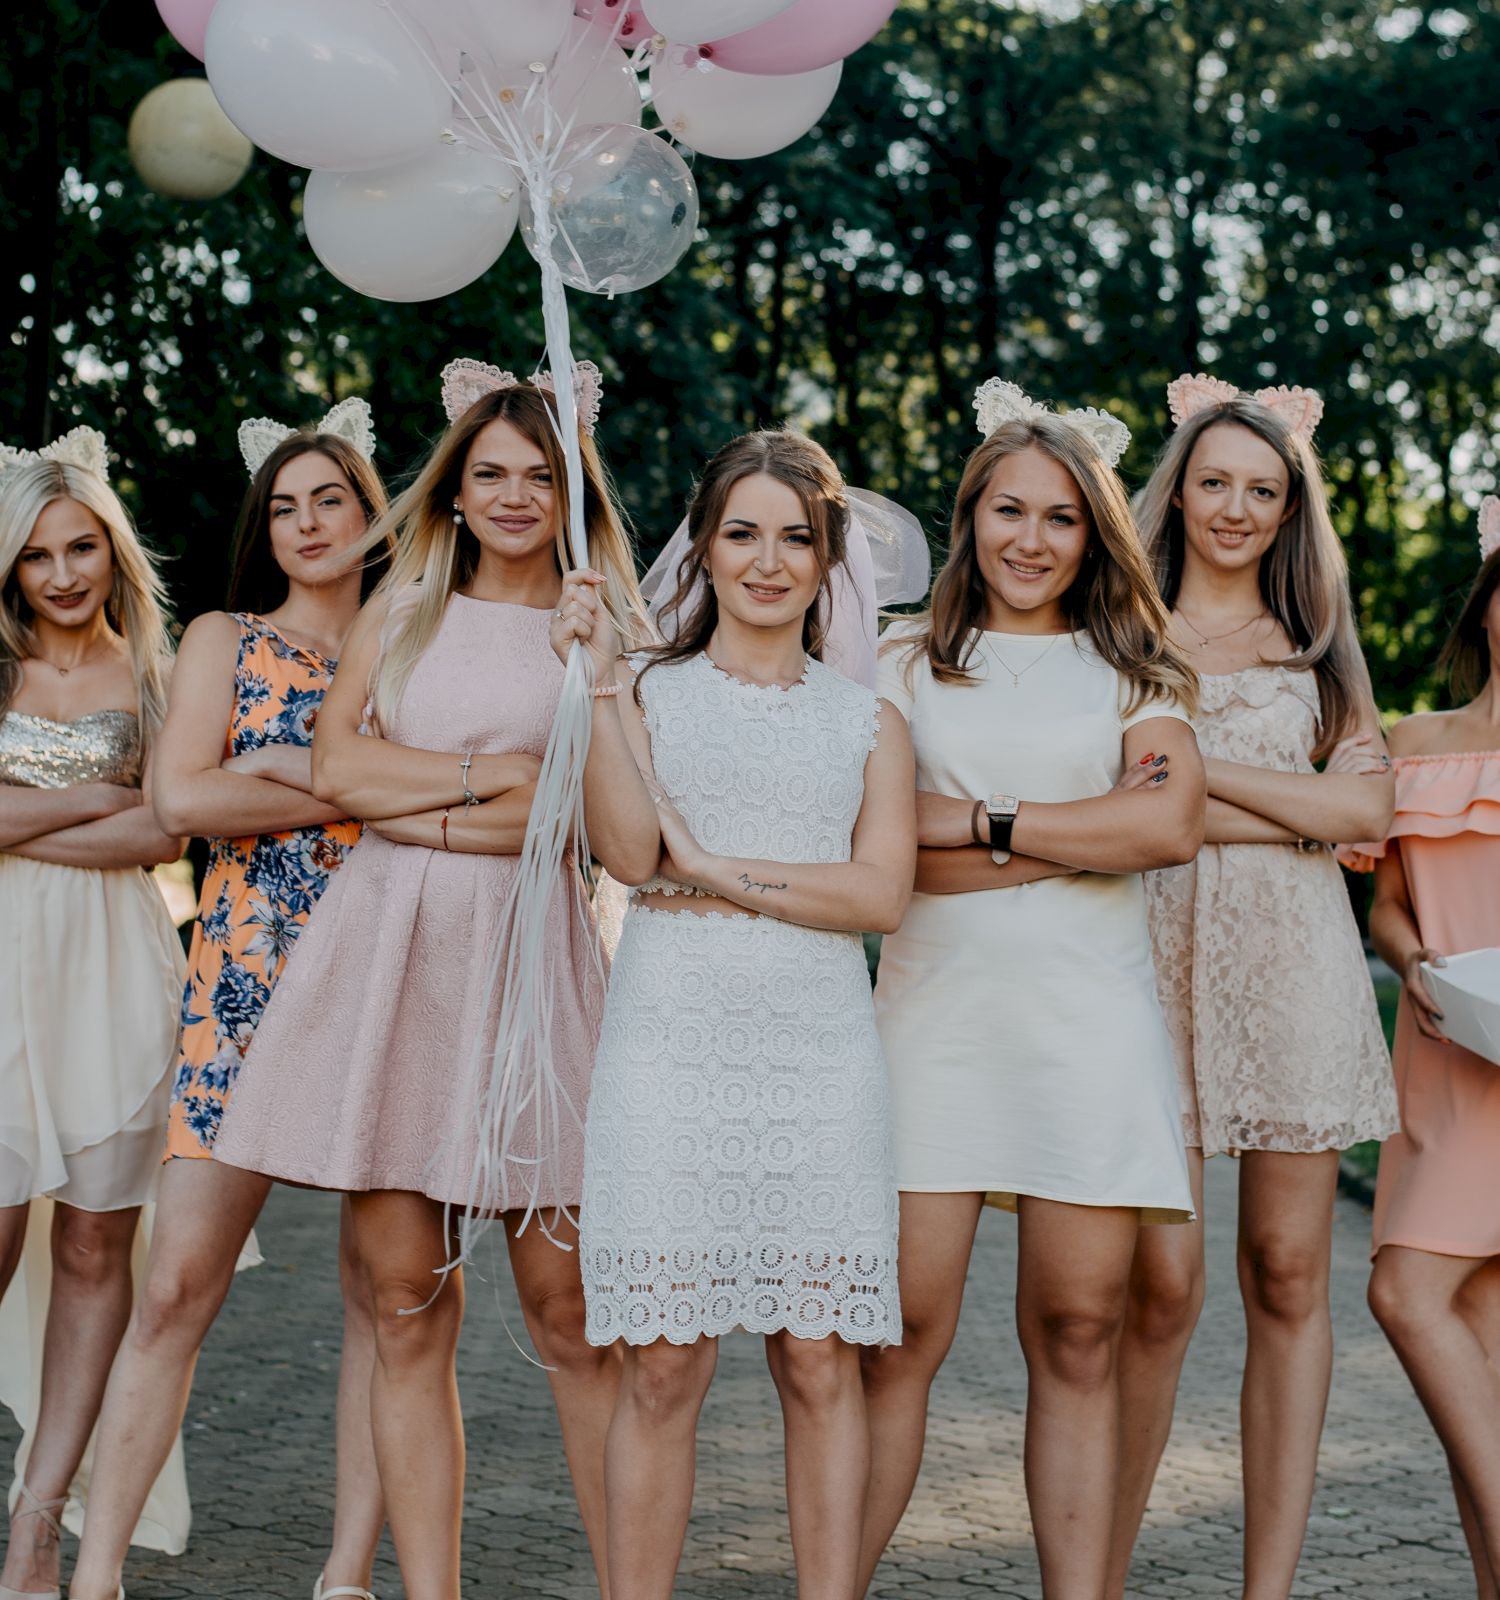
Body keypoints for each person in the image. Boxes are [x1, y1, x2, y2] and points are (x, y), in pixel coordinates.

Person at [210, 362, 647, 1600]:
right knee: (404, 1296)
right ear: (453, 490)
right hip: (392, 955)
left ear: (572, 490)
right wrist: (487, 784)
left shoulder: (602, 616)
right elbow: (337, 768)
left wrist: (452, 784)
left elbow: (600, 826)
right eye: (490, 472)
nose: (514, 495)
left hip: (530, 967)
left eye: (540, 476)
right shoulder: (402, 605)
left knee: (568, 1309)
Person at [553, 427, 915, 1600]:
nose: (769, 561)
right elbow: (623, 850)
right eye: (743, 532)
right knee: (663, 1363)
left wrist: (707, 866)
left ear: (827, 560)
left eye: (795, 538)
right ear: (702, 546)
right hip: (669, 1044)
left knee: (820, 1357)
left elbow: (880, 895)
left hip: (819, 1051)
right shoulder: (644, 688)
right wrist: (600, 679)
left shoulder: (869, 723)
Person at [857, 380, 1204, 1599]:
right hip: (930, 1028)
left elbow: (1165, 828)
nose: (1031, 539)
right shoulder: (902, 657)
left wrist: (985, 825)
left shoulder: (1137, 668)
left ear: (1093, 534)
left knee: (1078, 1334)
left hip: (1088, 1034)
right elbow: (885, 860)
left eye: (1061, 518)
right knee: (897, 1333)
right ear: (971, 518)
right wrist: (1073, 833)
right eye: (1009, 510)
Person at [69, 403, 392, 1600]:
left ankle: (347, 1573)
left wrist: (281, 770)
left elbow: (445, 809)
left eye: (333, 501)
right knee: (174, 1285)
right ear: (267, 525)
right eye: (288, 505)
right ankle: (94, 1571)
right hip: (244, 984)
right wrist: (349, 787)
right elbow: (185, 805)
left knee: (391, 1295)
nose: (307, 524)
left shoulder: (414, 652)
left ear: (373, 519)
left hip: (383, 980)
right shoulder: (226, 638)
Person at [1109, 375, 1398, 1600]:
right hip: (1144, 960)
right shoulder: (1120, 626)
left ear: (1291, 512)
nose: (1236, 508)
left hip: (1294, 973)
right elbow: (1119, 809)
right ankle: (1098, 1572)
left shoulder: (1321, 641)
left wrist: (1198, 780)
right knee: (1158, 1288)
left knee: (1288, 1270)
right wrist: (1287, 813)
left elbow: (1366, 810)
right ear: (1179, 491)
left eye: (1264, 492)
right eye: (1215, 482)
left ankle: (1264, 1588)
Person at [0, 433, 183, 1600]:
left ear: (112, 552)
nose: (64, 576)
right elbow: (128, 813)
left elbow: (167, 831)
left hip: (120, 974)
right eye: (36, 558)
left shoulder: (160, 676)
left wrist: (22, 808)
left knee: (91, 1242)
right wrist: (97, 797)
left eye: (82, 549)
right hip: (5, 965)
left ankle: (37, 1520)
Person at [1354, 495, 1500, 1596]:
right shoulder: (1413, 744)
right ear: (1490, 611)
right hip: (1444, 1051)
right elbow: (1390, 905)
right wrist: (1411, 963)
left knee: (1432, 1309)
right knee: (1445, 1316)